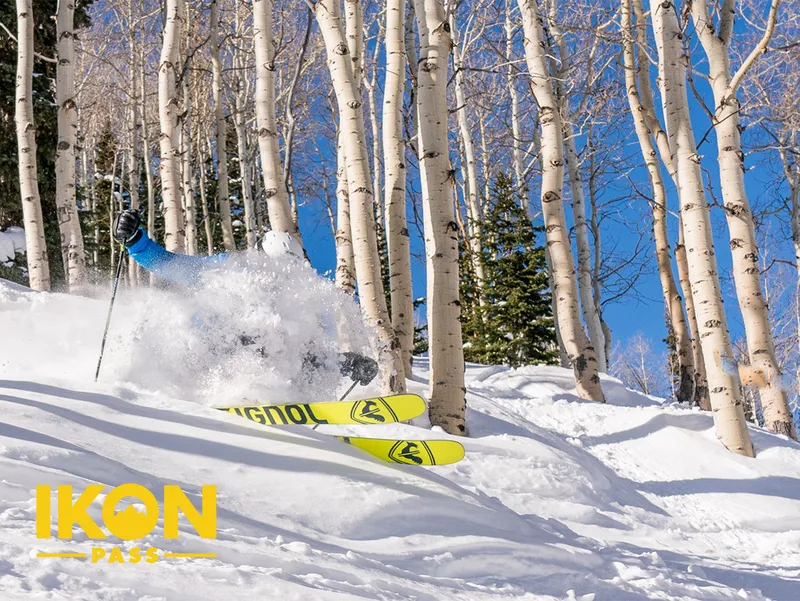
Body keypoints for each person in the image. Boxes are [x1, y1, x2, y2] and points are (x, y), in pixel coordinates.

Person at [112, 209, 377, 387]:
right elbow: (170, 265)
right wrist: (135, 240)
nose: (279, 279)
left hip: (256, 373)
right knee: (262, 332)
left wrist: (347, 363)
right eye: (275, 269)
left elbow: (308, 357)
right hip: (202, 357)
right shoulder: (230, 271)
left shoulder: (291, 308)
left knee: (284, 343)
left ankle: (260, 396)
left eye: (288, 274)